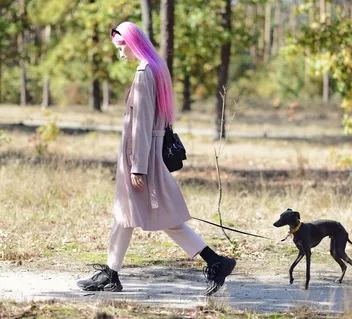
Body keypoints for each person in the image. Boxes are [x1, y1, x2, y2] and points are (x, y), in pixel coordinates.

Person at [76, 22, 236, 296]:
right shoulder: (156, 68)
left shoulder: (144, 73)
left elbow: (141, 124)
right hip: (147, 154)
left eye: (120, 47)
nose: (119, 54)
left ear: (131, 42)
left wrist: (137, 167)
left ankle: (215, 261)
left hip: (140, 158)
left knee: (150, 216)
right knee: (131, 216)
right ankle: (112, 273)